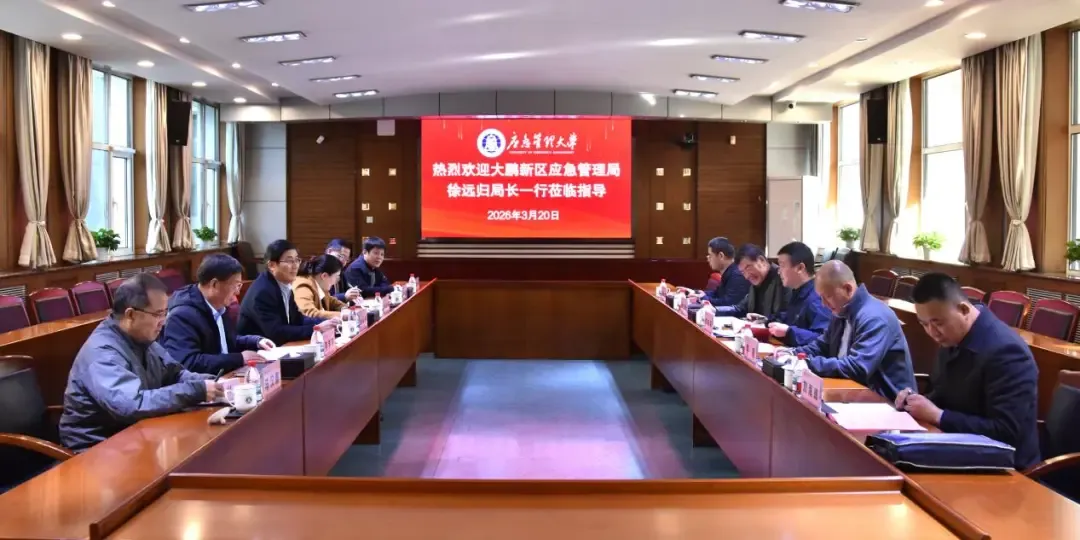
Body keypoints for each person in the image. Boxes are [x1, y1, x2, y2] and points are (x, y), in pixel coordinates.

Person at [59, 274, 222, 452]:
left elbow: (175, 374)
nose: (163, 321)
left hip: (135, 435)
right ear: (131, 315)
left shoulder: (142, 337)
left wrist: (213, 383)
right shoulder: (102, 352)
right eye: (158, 314)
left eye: (165, 313)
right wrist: (196, 390)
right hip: (97, 448)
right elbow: (131, 405)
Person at [894, 273, 1039, 469]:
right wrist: (914, 402)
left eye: (938, 323)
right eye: (924, 324)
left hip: (1004, 467)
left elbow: (1005, 432)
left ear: (963, 309)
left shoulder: (1007, 352)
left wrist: (938, 415)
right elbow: (944, 394)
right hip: (958, 448)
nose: (932, 332)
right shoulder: (952, 337)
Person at [794, 260, 916, 402]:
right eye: (821, 297)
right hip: (851, 391)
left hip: (887, 402)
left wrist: (808, 363)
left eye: (827, 296)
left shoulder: (875, 317)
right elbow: (822, 345)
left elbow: (858, 368)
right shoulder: (840, 310)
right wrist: (793, 355)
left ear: (847, 288)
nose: (823, 304)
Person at [160, 254, 274, 375]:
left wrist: (255, 341)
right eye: (235, 285)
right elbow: (188, 363)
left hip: (224, 376)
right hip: (204, 383)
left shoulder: (218, 305)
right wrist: (239, 358)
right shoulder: (182, 316)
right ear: (214, 284)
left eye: (239, 285)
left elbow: (225, 342)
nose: (237, 292)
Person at [237, 239, 324, 345]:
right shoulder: (263, 292)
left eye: (297, 260)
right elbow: (276, 333)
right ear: (272, 265)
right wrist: (317, 329)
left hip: (280, 346)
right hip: (257, 349)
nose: (295, 265)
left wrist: (324, 323)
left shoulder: (284, 284)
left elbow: (298, 320)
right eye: (289, 261)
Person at [769, 241, 832, 346]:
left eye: (782, 266)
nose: (779, 271)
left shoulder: (817, 297)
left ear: (800, 268)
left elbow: (824, 339)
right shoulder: (797, 291)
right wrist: (766, 322)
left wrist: (789, 331)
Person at [715, 243, 788, 319]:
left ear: (761, 260)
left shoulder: (783, 279)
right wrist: (714, 310)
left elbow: (785, 317)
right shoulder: (755, 283)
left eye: (748, 267)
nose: (746, 276)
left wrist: (764, 320)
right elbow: (739, 308)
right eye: (743, 272)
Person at [293, 254, 352, 319]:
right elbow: (309, 313)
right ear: (324, 276)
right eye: (336, 276)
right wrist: (342, 315)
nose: (337, 281)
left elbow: (332, 301)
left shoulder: (320, 285)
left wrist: (349, 310)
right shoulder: (303, 287)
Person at [700, 237, 751, 307]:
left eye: (710, 255)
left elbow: (728, 304)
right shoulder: (729, 271)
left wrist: (701, 299)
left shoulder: (737, 275)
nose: (708, 258)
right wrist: (699, 293)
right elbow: (717, 294)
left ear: (721, 256)